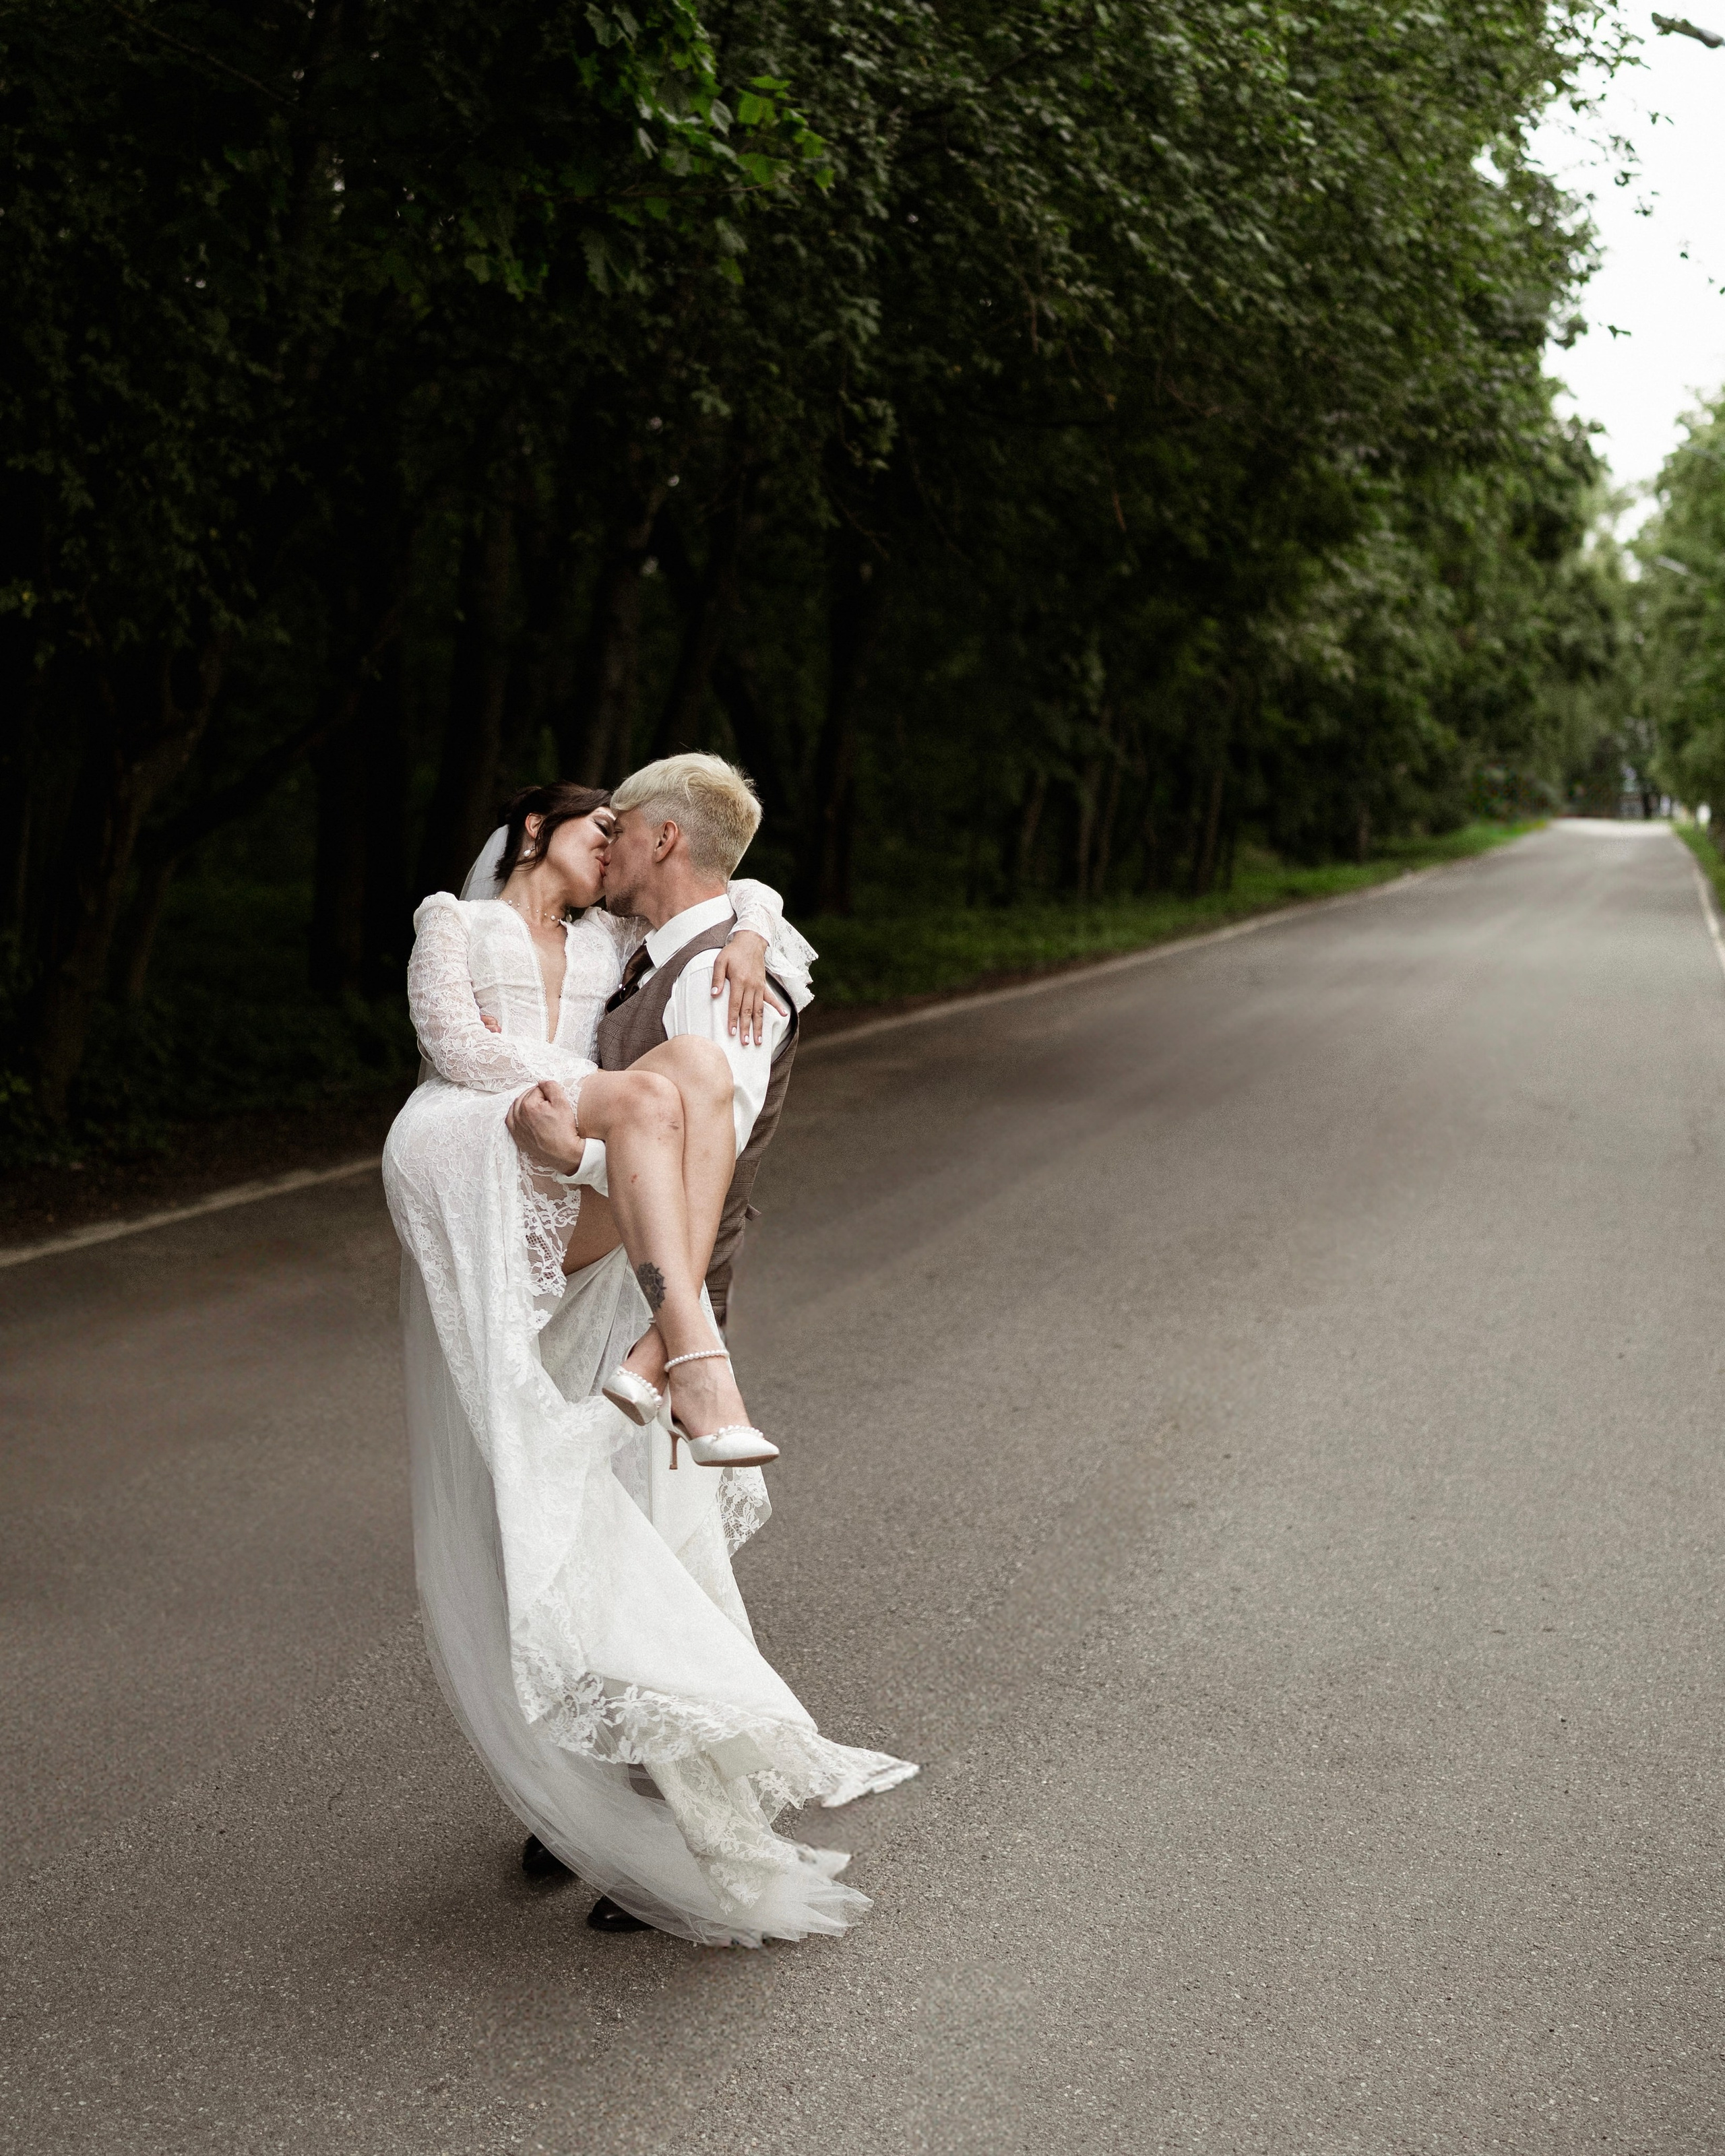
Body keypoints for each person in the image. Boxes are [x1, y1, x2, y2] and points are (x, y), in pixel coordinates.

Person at [382, 768, 916, 1948]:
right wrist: (752, 911)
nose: (611, 845)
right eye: (596, 826)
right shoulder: (636, 936)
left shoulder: (734, 974)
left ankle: (661, 1843)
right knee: (574, 1541)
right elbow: (710, 900)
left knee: (640, 1562)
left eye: (627, 830)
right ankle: (587, 1803)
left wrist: (752, 931)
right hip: (568, 1251)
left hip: (651, 1302)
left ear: (661, 837)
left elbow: (702, 1147)